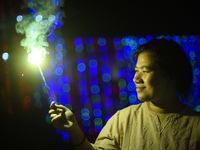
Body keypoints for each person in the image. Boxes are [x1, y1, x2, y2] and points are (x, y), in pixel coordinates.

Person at [49, 39, 200, 150]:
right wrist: (73, 129)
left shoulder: (195, 126)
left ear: (171, 76)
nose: (136, 79)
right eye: (136, 71)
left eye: (145, 71)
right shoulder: (123, 120)